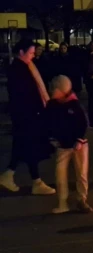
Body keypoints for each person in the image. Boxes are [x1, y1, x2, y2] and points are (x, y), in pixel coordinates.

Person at [0, 39, 55, 195]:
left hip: (25, 115)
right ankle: (35, 181)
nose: (33, 55)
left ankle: (11, 175)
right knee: (29, 146)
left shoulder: (23, 67)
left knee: (23, 146)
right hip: (27, 116)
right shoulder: (19, 70)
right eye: (30, 52)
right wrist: (39, 111)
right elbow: (25, 95)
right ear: (22, 52)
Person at [46, 75, 92, 214]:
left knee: (82, 173)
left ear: (62, 90)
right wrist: (51, 138)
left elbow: (84, 124)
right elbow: (47, 123)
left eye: (55, 89)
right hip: (62, 145)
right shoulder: (52, 105)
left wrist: (79, 140)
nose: (52, 91)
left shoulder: (75, 105)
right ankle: (62, 202)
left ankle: (82, 200)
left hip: (79, 145)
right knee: (60, 175)